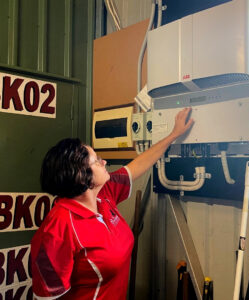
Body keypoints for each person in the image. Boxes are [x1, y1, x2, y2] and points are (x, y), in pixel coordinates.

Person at [31, 107, 194, 300]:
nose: (105, 161)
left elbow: (138, 165)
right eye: (97, 160)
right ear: (81, 175)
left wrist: (173, 135)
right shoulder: (58, 229)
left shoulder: (104, 193)